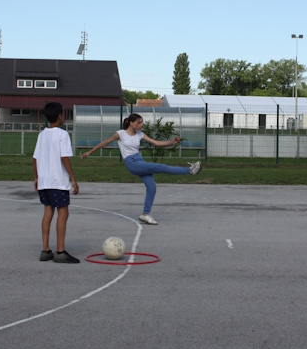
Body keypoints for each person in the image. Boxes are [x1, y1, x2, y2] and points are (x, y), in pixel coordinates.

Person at [81, 113, 201, 225]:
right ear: (131, 123)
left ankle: (145, 214)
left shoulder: (140, 134)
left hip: (140, 161)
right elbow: (105, 143)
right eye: (139, 122)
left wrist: (172, 142)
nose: (141, 125)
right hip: (132, 163)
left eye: (142, 122)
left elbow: (156, 143)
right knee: (160, 167)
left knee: (152, 187)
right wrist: (89, 152)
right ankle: (190, 170)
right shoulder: (120, 134)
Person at [32, 102, 80, 264]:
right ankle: (60, 251)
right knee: (63, 212)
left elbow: (35, 158)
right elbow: (64, 157)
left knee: (48, 212)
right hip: (57, 181)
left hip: (44, 181)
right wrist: (73, 178)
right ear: (60, 115)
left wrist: (36, 177)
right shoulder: (62, 134)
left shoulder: (42, 135)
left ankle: (45, 250)